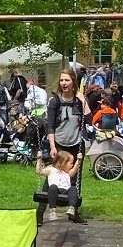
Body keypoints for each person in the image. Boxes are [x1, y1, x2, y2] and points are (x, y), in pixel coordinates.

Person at [40, 68, 90, 225]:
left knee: (74, 180)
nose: (64, 83)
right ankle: (40, 212)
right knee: (52, 178)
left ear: (73, 82)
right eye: (61, 80)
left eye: (67, 80)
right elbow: (50, 126)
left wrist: (83, 100)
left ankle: (73, 212)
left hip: (76, 145)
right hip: (59, 145)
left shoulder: (78, 100)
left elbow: (89, 119)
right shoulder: (55, 101)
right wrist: (53, 146)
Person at [36, 151, 82, 222]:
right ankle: (52, 211)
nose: (72, 165)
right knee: (53, 187)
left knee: (73, 188)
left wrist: (79, 160)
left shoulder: (67, 173)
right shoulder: (51, 170)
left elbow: (75, 169)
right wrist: (39, 159)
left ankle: (71, 208)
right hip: (55, 192)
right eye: (71, 163)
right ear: (63, 163)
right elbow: (39, 171)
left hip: (66, 193)